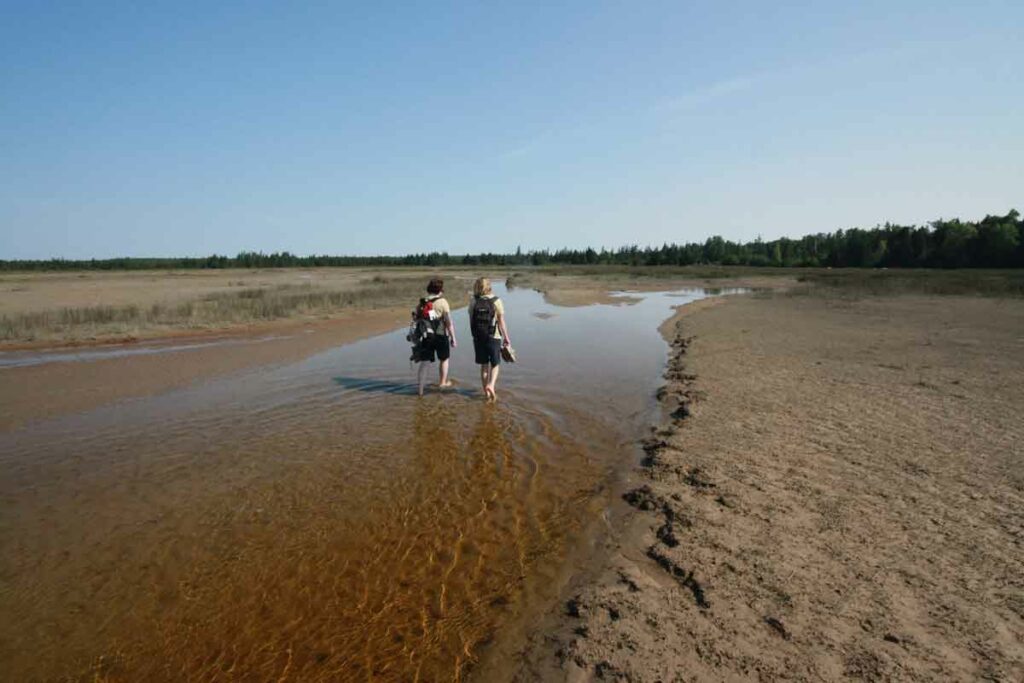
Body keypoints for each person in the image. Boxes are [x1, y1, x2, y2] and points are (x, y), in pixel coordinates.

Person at [411, 278, 457, 396]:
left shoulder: (422, 302)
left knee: (424, 363)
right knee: (444, 359)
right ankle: (442, 383)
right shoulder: (443, 302)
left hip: (426, 337)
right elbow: (448, 322)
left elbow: (416, 319)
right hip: (441, 335)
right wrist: (453, 338)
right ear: (440, 290)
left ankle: (420, 390)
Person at [469, 277, 511, 402]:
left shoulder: (473, 301)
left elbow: (471, 320)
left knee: (484, 365)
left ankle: (486, 395)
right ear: (489, 286)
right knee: (495, 364)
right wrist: (507, 338)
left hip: (478, 337)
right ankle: (491, 385)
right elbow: (501, 322)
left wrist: (474, 335)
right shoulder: (496, 301)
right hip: (494, 337)